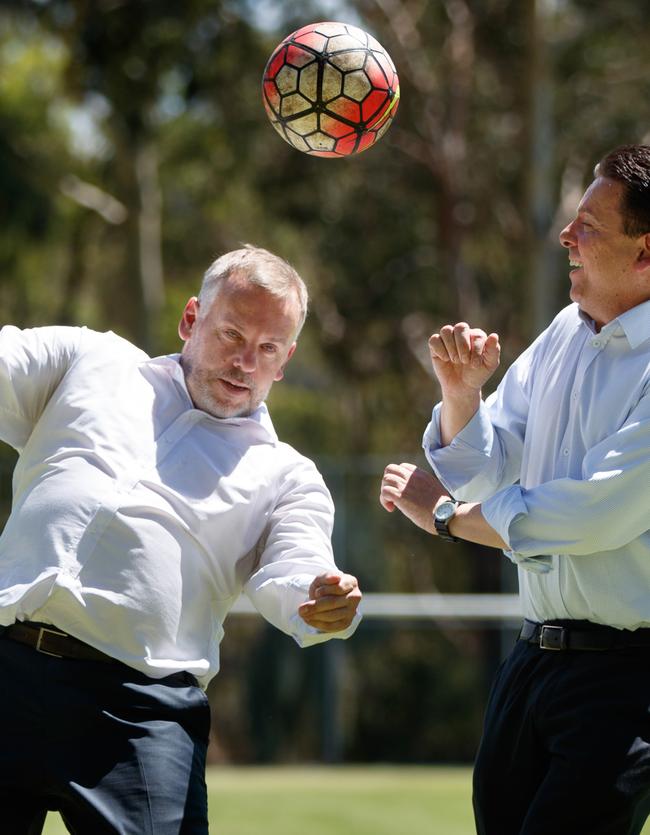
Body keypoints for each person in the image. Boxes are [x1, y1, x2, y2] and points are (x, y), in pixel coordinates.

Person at [0, 244, 362, 833]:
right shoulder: (90, 360)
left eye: (268, 349)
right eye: (232, 335)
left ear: (286, 360)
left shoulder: (287, 473)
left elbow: (294, 570)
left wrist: (319, 599)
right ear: (191, 319)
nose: (246, 362)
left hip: (139, 711)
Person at [380, 143, 650, 835]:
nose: (567, 235)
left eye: (589, 225)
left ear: (645, 252)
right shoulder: (565, 331)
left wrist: (446, 518)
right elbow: (484, 462)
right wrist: (460, 392)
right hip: (530, 664)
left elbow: (593, 515)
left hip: (627, 681)